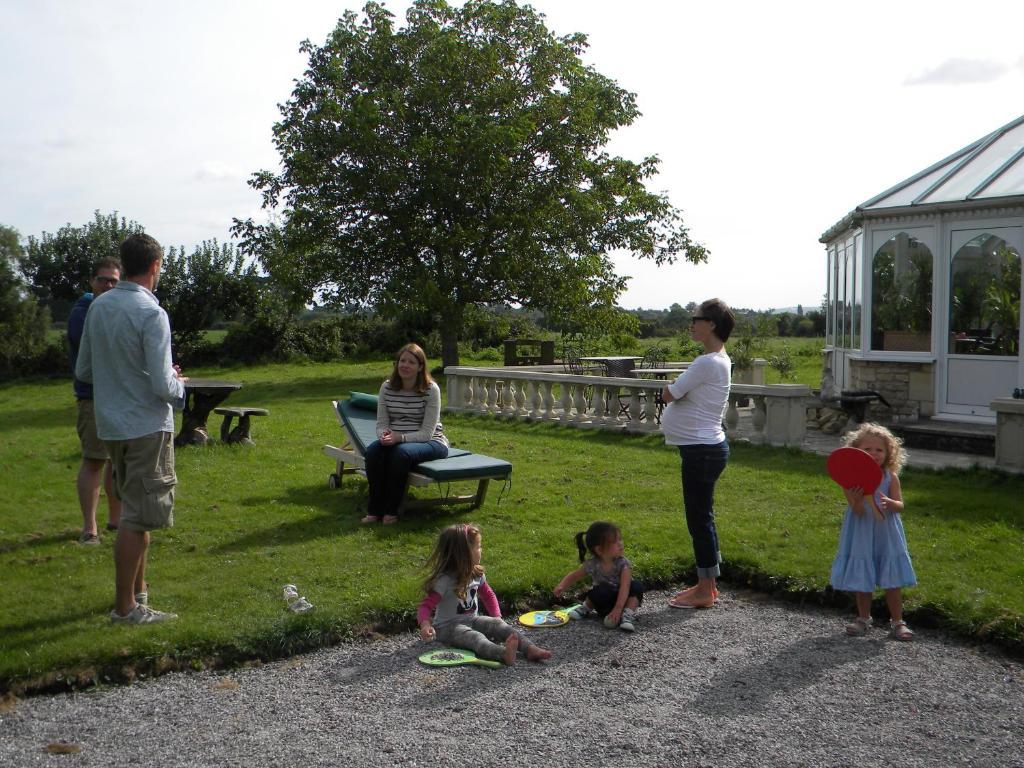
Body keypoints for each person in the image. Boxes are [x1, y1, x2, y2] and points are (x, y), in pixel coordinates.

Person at [75, 233, 187, 624]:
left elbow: (84, 370)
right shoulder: (151, 313)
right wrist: (180, 386)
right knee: (138, 520)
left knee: (136, 514)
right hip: (146, 426)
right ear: (155, 266)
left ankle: (139, 596)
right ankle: (125, 609)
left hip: (111, 426)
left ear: (123, 265)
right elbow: (162, 385)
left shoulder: (99, 307)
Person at [661, 298, 734, 610]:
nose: (691, 323)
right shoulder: (718, 360)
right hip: (707, 448)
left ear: (712, 324)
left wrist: (670, 388)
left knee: (699, 520)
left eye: (696, 318)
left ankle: (705, 591)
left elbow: (669, 393)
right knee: (704, 518)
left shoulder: (706, 363)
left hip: (702, 451)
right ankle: (708, 584)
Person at [830, 423, 917, 641]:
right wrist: (858, 499)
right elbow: (857, 511)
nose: (873, 453)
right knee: (863, 576)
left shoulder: (890, 477)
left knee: (892, 579)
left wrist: (890, 503)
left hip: (886, 533)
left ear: (888, 453)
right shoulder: (849, 480)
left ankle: (898, 622)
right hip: (862, 531)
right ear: (856, 451)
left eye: (879, 450)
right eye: (867, 449)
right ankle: (863, 618)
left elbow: (900, 505)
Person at [418, 523, 552, 665]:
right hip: (446, 628)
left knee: (499, 626)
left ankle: (529, 648)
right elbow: (425, 606)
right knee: (475, 637)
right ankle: (502, 654)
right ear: (464, 553)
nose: (481, 550)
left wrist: (497, 617)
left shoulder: (476, 574)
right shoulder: (445, 580)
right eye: (478, 547)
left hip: (472, 620)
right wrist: (425, 626)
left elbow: (488, 595)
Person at [361, 343, 449, 525]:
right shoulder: (386, 387)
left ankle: (391, 511)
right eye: (402, 361)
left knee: (400, 454)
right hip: (396, 439)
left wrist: (399, 438)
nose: (405, 365)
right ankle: (374, 510)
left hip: (432, 441)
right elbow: (381, 423)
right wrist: (384, 435)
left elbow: (426, 433)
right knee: (373, 452)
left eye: (411, 362)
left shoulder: (431, 390)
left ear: (420, 367)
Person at [67, 258, 123, 544]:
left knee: (116, 461)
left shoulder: (115, 308)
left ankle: (116, 520)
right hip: (92, 397)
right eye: (103, 279)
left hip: (118, 397)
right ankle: (90, 529)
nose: (109, 285)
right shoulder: (83, 312)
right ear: (92, 281)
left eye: (114, 280)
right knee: (94, 460)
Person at [553, 521, 644, 632]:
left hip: (622, 602)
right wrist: (562, 585)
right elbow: (575, 574)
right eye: (615, 542)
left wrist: (618, 609)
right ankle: (585, 608)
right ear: (600, 550)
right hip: (604, 602)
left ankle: (627, 615)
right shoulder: (593, 564)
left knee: (636, 586)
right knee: (599, 589)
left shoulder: (624, 564)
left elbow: (625, 586)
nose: (620, 543)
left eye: (620, 539)